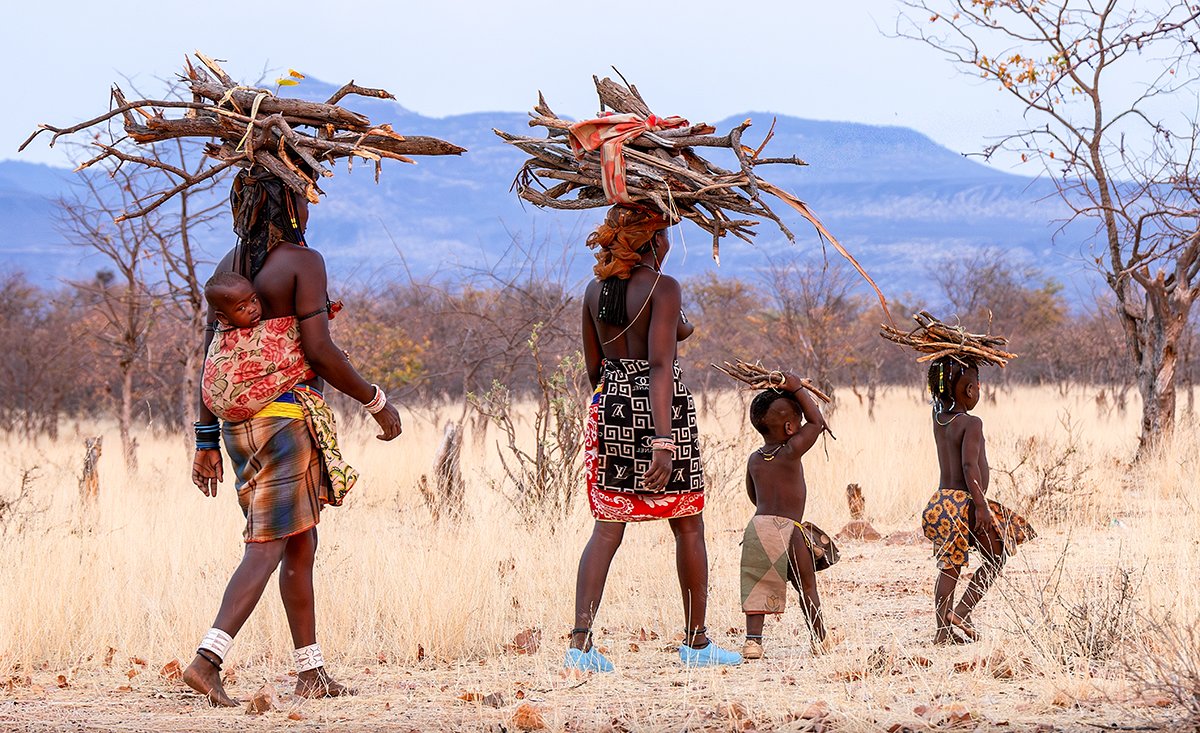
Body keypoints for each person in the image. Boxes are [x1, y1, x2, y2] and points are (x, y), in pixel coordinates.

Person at [184, 165, 403, 706]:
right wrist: (376, 401)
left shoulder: (228, 266)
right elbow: (322, 351)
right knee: (267, 546)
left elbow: (216, 360)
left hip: (238, 427)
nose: (310, 209)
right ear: (287, 207)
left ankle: (311, 672)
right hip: (283, 423)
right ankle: (206, 661)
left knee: (301, 541)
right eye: (304, 199)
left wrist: (206, 438)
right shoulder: (304, 262)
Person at [567, 205, 741, 672]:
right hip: (663, 414)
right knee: (687, 524)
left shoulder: (594, 290)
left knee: (607, 528)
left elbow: (592, 368)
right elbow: (662, 365)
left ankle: (579, 646)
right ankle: (696, 643)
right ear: (652, 241)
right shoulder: (663, 289)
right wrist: (662, 442)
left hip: (610, 406)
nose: (669, 244)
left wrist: (614, 408)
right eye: (664, 236)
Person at [922, 356, 1035, 645]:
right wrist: (982, 505)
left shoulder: (939, 421)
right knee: (996, 558)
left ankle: (942, 632)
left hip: (941, 502)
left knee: (949, 567)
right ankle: (962, 611)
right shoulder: (971, 423)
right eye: (978, 385)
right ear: (970, 390)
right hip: (966, 504)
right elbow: (969, 466)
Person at [739, 374, 841, 660]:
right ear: (789, 427)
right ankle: (819, 638)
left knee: (756, 589)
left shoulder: (755, 458)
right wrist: (796, 387)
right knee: (807, 586)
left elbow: (753, 495)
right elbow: (817, 423)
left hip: (759, 527)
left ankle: (753, 642)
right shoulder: (792, 451)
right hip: (790, 530)